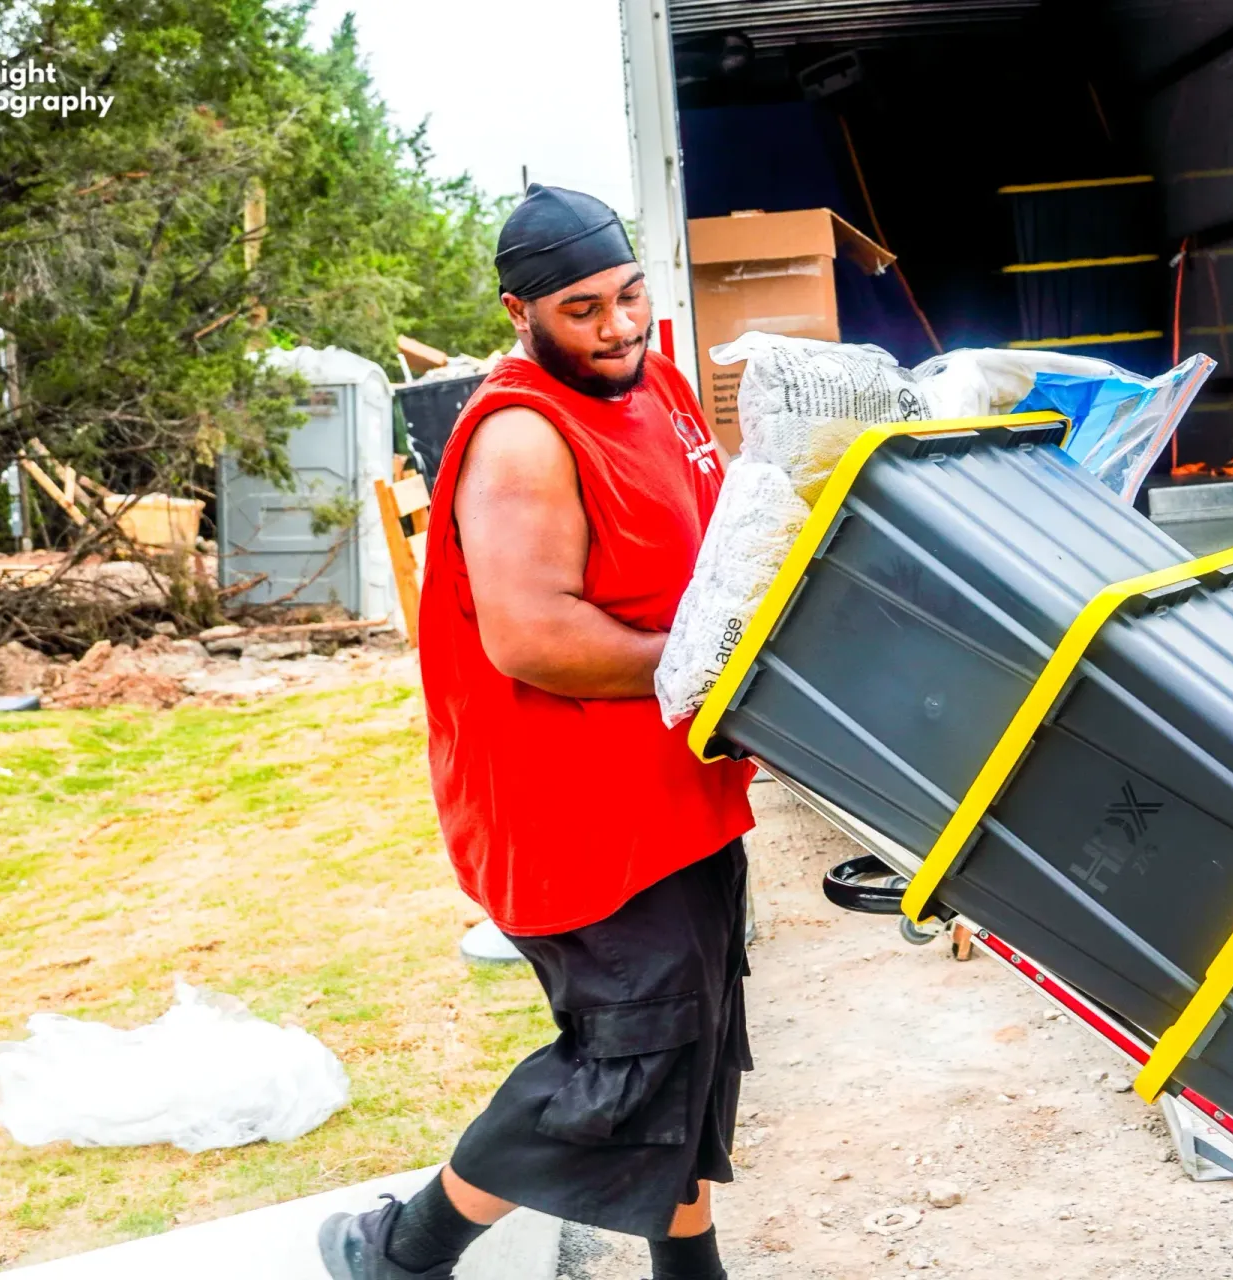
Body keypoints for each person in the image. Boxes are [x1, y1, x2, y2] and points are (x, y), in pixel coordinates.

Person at [318, 185, 755, 1280]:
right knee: (627, 1063)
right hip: (573, 811)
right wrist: (719, 663)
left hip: (675, 786)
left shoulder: (651, 378)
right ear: (522, 311)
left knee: (689, 1054)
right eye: (581, 309)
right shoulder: (522, 435)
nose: (614, 326)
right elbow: (532, 636)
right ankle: (401, 1249)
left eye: (627, 295)